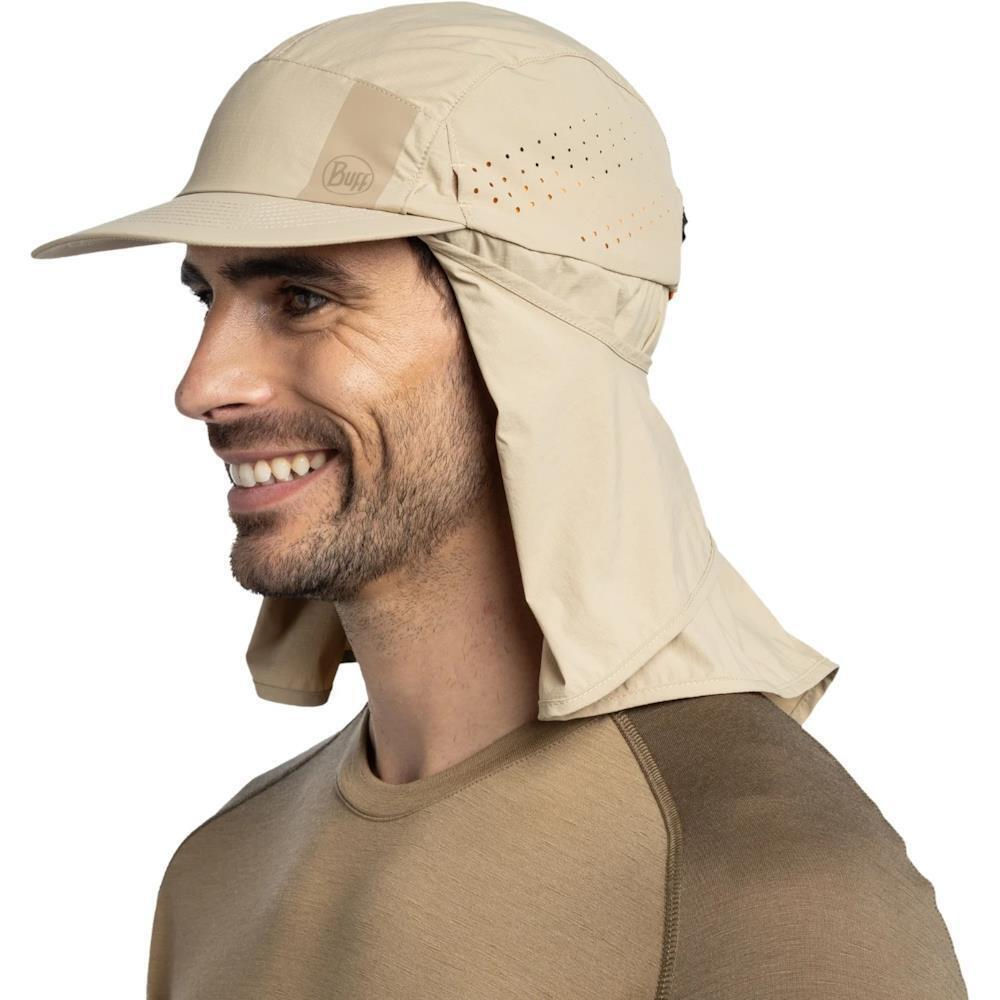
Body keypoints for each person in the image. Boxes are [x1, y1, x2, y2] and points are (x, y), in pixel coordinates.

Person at [30, 4, 968, 998]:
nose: (202, 385)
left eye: (301, 298)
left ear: (527, 332)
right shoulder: (221, 869)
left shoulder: (756, 879)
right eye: (206, 297)